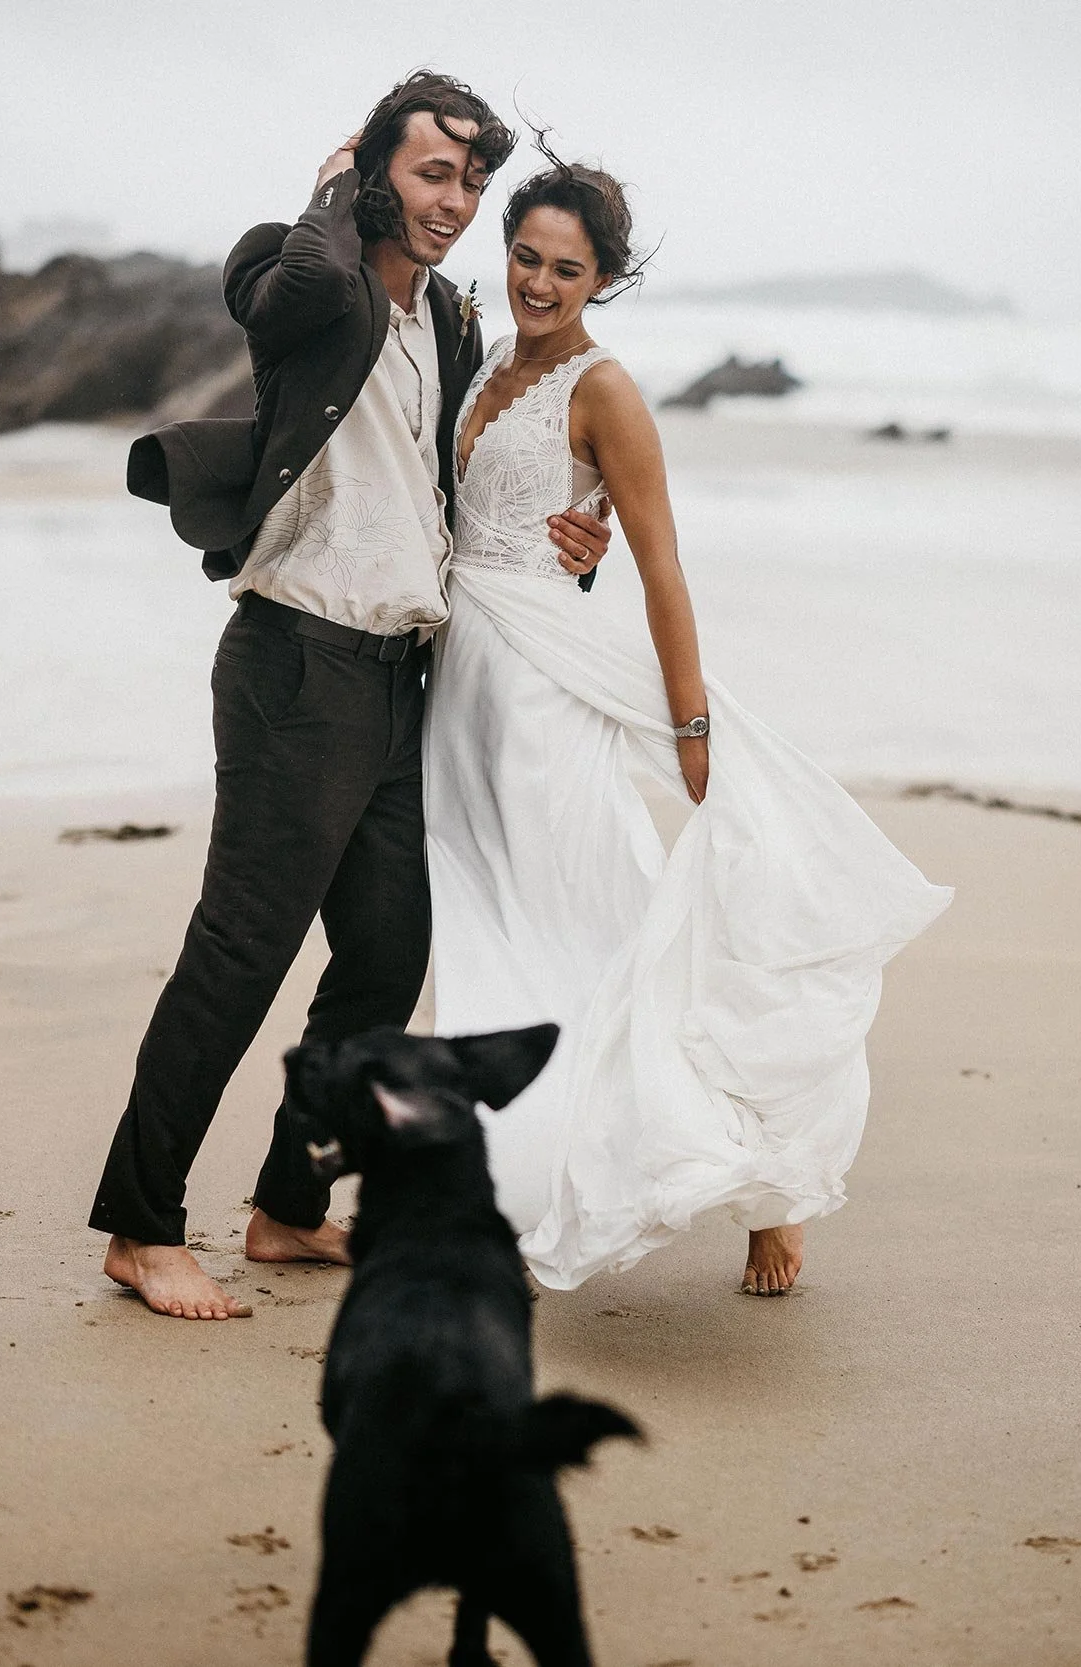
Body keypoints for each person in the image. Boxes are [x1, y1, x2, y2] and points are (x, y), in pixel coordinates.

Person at [93, 73, 613, 1320]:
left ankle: (284, 1206)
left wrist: (571, 549)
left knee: (385, 954)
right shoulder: (302, 271)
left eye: (471, 181)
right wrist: (336, 186)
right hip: (297, 660)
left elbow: (457, 502)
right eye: (434, 173)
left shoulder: (451, 320)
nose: (457, 200)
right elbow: (304, 287)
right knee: (242, 948)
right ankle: (138, 1224)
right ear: (375, 168)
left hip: (399, 676)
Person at [425, 145, 952, 1294]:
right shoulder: (482, 363)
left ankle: (765, 1181)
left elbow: (662, 569)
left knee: (605, 927)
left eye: (567, 269)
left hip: (545, 700)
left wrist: (691, 726)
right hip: (460, 688)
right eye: (525, 256)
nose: (540, 283)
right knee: (493, 944)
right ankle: (520, 1181)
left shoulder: (603, 389)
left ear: (602, 280)